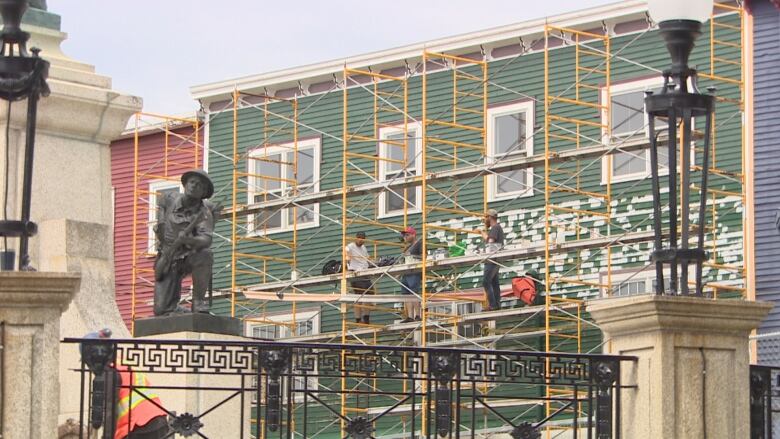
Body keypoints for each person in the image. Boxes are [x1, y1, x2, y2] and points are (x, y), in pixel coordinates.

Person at [80, 329, 170, 439]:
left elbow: (110, 412)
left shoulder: (110, 371)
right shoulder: (122, 363)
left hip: (140, 427)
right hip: (157, 420)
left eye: (87, 361)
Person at [153, 169, 216, 315]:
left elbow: (206, 240)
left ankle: (199, 302)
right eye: (192, 182)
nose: (194, 186)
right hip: (168, 254)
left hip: (189, 255)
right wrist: (161, 222)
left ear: (203, 192)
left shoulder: (204, 213)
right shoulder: (170, 198)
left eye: (199, 185)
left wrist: (187, 239)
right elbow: (162, 204)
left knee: (205, 254)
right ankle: (180, 310)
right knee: (161, 310)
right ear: (185, 184)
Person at [345, 231, 376, 324]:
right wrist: (347, 256)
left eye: (362, 238)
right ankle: (358, 319)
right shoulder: (351, 246)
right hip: (355, 272)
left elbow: (367, 258)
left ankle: (366, 317)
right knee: (359, 295)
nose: (361, 240)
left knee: (369, 294)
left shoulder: (363, 247)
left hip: (364, 272)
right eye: (359, 238)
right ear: (356, 238)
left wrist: (374, 263)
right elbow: (345, 249)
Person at [480, 209, 505, 311]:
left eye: (486, 217)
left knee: (486, 282)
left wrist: (482, 233)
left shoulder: (495, 228)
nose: (485, 220)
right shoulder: (498, 228)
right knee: (494, 282)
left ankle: (493, 305)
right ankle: (497, 304)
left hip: (492, 259)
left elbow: (490, 242)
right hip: (497, 259)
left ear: (490, 217)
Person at [399, 226, 422, 323]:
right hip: (406, 272)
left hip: (414, 271)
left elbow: (423, 256)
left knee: (414, 292)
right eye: (404, 236)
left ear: (413, 235)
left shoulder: (419, 243)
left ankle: (417, 315)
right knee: (406, 293)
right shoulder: (407, 247)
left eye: (407, 235)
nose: (405, 237)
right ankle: (410, 316)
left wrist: (411, 255)